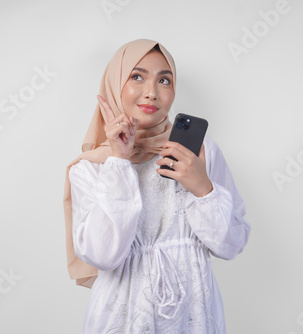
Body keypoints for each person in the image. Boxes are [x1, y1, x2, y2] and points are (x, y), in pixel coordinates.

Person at [63, 39, 251, 333]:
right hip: (121, 315)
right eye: (136, 76)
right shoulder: (92, 167)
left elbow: (232, 244)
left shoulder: (200, 153)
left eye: (164, 80)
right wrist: (119, 161)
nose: (151, 91)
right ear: (114, 84)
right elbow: (102, 255)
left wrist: (202, 187)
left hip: (193, 312)